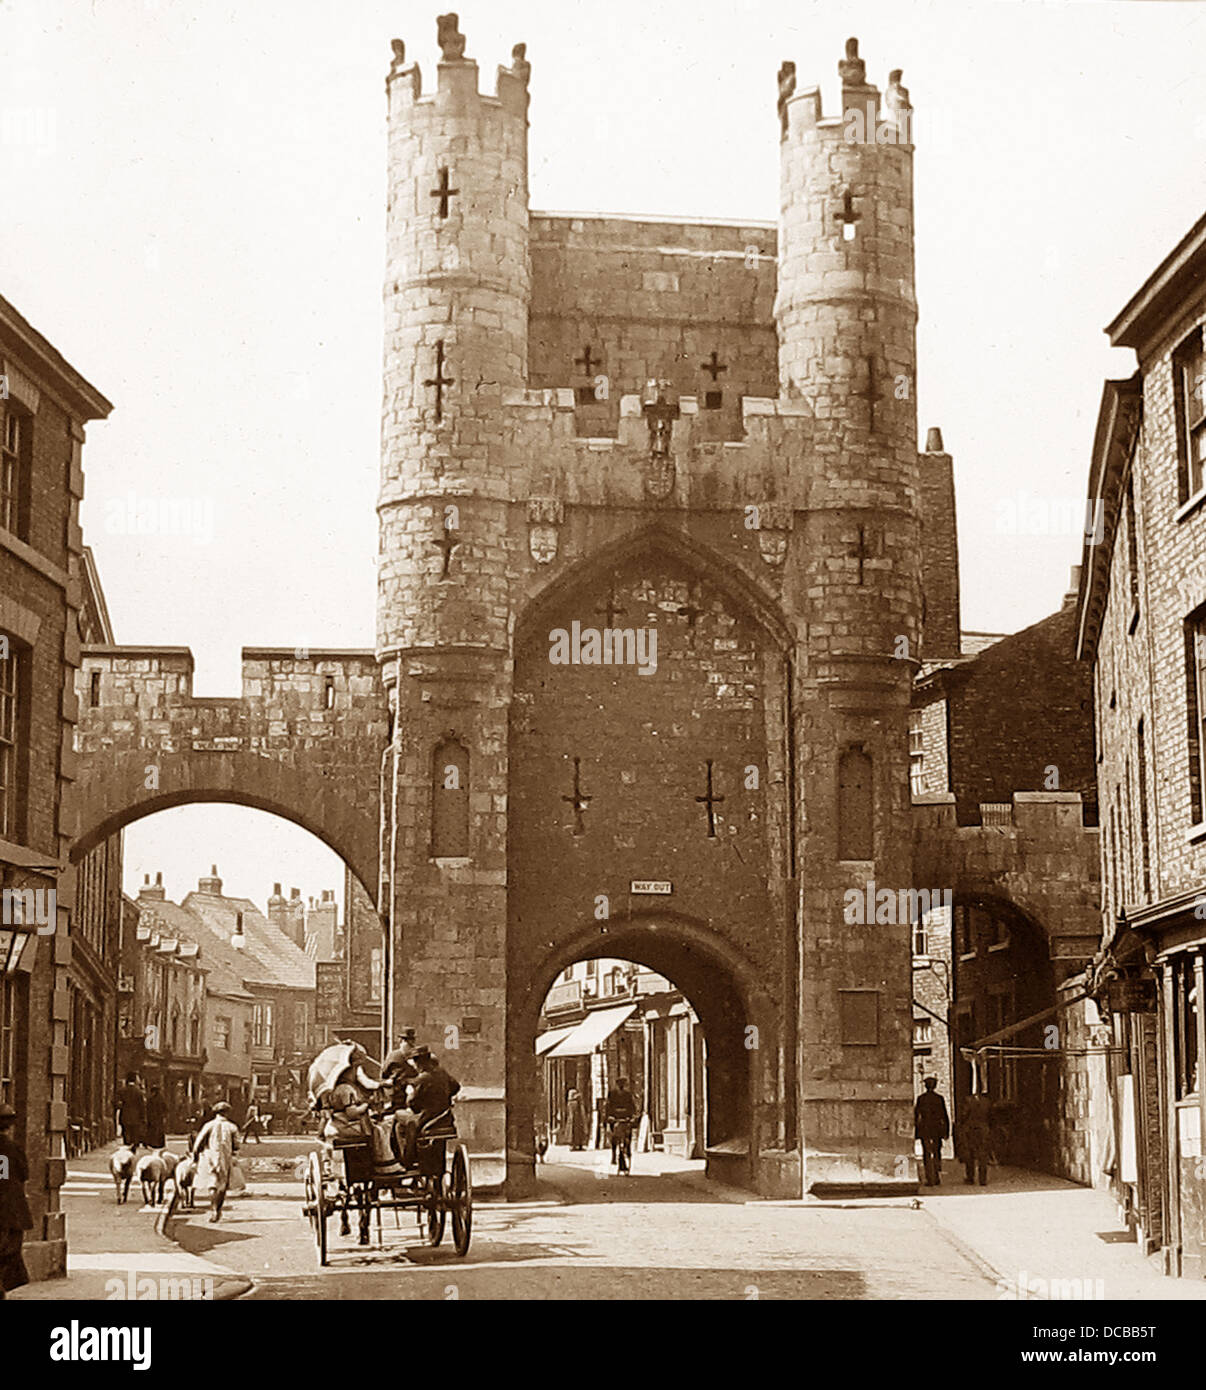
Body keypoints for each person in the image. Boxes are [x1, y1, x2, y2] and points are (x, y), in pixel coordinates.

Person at [398, 1046, 460, 1168]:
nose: (415, 1066)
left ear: (419, 1062)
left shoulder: (422, 1078)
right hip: (444, 1116)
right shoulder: (442, 1072)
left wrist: (410, 1093)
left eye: (415, 1062)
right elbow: (456, 1086)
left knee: (398, 1117)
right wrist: (444, 1097)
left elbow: (411, 1103)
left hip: (427, 1117)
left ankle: (406, 1157)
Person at [0, 1103, 32, 1299]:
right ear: (10, 1126)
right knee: (9, 1250)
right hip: (10, 1208)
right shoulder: (13, 1149)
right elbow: (24, 1173)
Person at [192, 1100, 241, 1223]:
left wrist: (195, 1156)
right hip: (225, 1158)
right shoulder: (232, 1127)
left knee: (212, 1184)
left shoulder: (208, 1125)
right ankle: (218, 1210)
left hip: (210, 1157)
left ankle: (213, 1208)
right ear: (227, 1113)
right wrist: (233, 1153)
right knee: (222, 1185)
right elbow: (237, 1145)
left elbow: (198, 1142)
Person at [913, 1076, 950, 1186]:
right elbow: (944, 1116)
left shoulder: (921, 1099)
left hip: (925, 1129)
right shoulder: (939, 1098)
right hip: (937, 1129)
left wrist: (916, 1131)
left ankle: (929, 1178)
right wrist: (947, 1131)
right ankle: (937, 1176)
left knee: (927, 1153)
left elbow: (916, 1116)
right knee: (937, 1152)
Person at [959, 1090, 994, 1186]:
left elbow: (963, 1115)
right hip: (983, 1130)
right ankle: (983, 1179)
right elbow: (991, 1117)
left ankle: (970, 1177)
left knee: (970, 1153)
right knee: (983, 1154)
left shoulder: (968, 1100)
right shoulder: (987, 1102)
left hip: (970, 1130)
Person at [605, 1078, 636, 1166]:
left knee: (628, 1133)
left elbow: (632, 1106)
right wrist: (609, 1117)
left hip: (625, 1117)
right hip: (615, 1117)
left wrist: (632, 1116)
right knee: (614, 1137)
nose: (621, 1086)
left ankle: (628, 1148)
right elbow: (608, 1106)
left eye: (623, 1084)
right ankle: (614, 1155)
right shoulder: (612, 1094)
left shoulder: (628, 1094)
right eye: (620, 1084)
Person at [116, 1073, 146, 1150]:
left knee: (126, 1134)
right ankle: (133, 1150)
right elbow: (142, 1106)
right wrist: (143, 1118)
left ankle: (126, 1148)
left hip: (125, 1116)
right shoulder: (139, 1092)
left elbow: (116, 1103)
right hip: (136, 1118)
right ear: (135, 1080)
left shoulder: (121, 1091)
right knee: (134, 1135)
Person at [144, 1084, 167, 1150]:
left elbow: (148, 1109)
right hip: (159, 1118)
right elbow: (165, 1109)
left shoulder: (150, 1099)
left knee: (153, 1131)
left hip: (152, 1118)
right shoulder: (161, 1099)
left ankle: (152, 1143)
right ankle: (159, 1144)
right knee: (159, 1131)